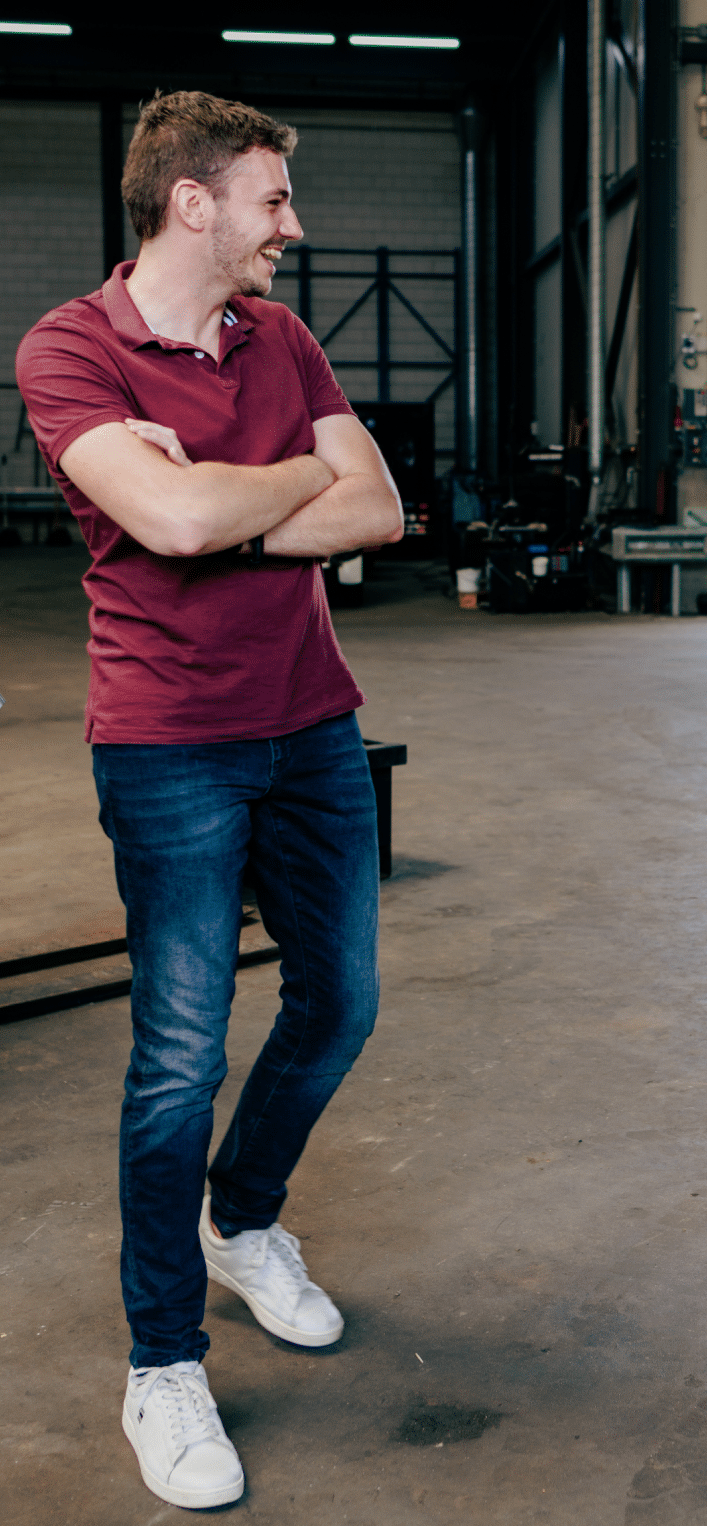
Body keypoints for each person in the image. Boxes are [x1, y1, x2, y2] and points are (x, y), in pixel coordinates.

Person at [15, 91, 405, 1509]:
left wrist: (243, 486)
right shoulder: (66, 345)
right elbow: (166, 524)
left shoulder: (278, 341)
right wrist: (274, 490)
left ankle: (243, 1222)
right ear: (193, 201)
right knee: (178, 1057)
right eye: (272, 202)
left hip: (313, 725)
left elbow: (377, 511)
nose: (289, 229)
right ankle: (162, 1365)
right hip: (169, 742)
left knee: (341, 1001)